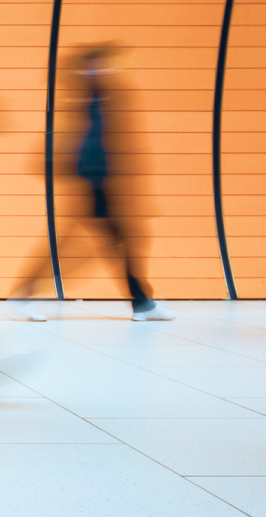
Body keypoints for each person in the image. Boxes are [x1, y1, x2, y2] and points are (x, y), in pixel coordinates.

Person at [9, 45, 176, 322]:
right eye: (102, 64)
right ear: (87, 68)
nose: (109, 68)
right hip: (96, 183)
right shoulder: (89, 100)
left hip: (100, 181)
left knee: (118, 240)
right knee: (106, 243)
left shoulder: (100, 97)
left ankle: (142, 301)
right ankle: (25, 294)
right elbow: (90, 143)